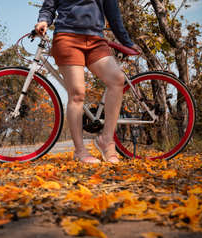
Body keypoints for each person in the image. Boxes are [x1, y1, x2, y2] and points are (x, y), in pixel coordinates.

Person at [35, 0, 141, 164]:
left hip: (96, 40)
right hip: (67, 37)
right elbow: (49, 6)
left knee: (117, 80)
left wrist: (127, 42)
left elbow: (113, 15)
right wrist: (43, 20)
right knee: (77, 93)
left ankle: (107, 140)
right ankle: (80, 151)